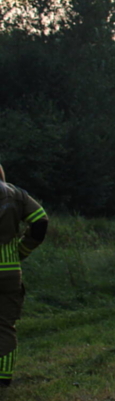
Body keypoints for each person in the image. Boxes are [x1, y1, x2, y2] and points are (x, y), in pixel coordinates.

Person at [0, 164, 49, 386]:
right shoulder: (16, 195)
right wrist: (22, 250)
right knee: (4, 325)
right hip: (8, 271)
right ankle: (3, 378)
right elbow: (40, 221)